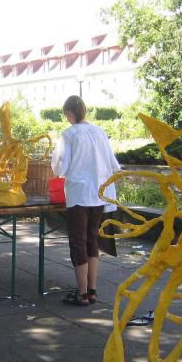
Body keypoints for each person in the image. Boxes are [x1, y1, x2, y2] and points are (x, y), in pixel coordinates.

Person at [51, 95, 120, 306]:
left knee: (78, 241)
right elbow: (114, 165)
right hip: (99, 193)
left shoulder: (69, 134)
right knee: (92, 239)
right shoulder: (100, 132)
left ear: (69, 113)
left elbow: (60, 167)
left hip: (79, 193)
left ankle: (81, 293)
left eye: (66, 115)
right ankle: (92, 290)